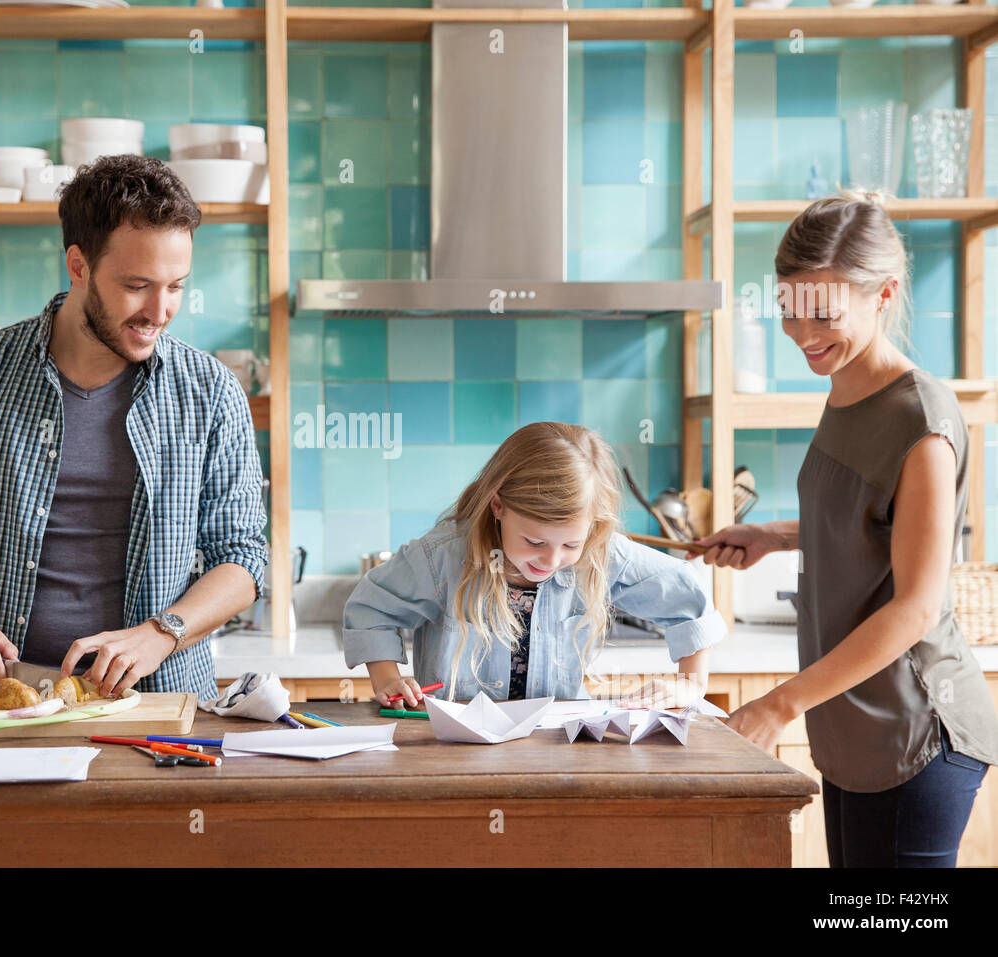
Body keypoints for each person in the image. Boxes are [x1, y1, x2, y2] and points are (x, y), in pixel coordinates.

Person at [0, 155, 266, 700]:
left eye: (176, 286)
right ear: (78, 265)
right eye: (137, 285)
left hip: (151, 707)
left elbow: (243, 556)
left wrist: (163, 633)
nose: (159, 311)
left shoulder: (211, 392)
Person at [698, 188, 998, 868]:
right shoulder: (847, 386)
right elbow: (872, 515)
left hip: (916, 732)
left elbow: (916, 606)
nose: (805, 337)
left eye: (825, 316)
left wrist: (777, 706)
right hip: (854, 724)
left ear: (884, 293)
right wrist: (776, 536)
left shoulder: (918, 418)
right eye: (790, 314)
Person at [344, 422, 726, 707]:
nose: (552, 559)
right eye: (534, 542)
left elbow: (686, 599)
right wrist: (387, 678)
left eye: (570, 544)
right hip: (452, 749)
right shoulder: (443, 555)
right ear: (499, 506)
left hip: (557, 752)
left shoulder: (599, 553)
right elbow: (371, 609)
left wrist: (691, 684)